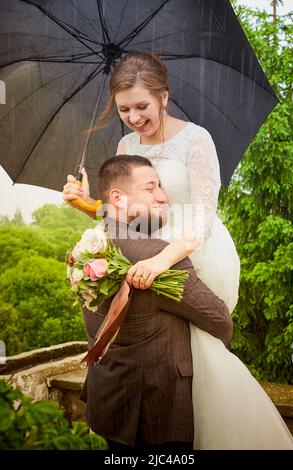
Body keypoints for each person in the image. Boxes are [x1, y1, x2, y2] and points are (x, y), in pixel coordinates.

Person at [63, 52, 293, 449]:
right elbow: (128, 216)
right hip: (147, 251)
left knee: (198, 351)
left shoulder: (196, 139)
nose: (134, 117)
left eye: (142, 106)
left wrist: (162, 259)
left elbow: (203, 218)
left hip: (194, 251)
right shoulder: (125, 142)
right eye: (124, 109)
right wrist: (89, 204)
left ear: (164, 98)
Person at [82, 155, 233, 451]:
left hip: (108, 403)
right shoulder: (156, 254)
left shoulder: (89, 245)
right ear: (118, 198)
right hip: (158, 416)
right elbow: (219, 319)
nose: (164, 197)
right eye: (151, 188)